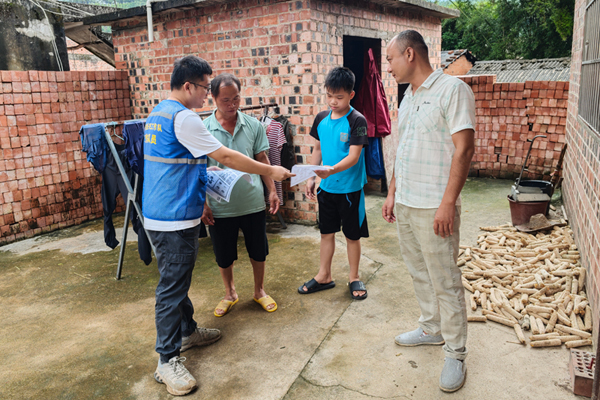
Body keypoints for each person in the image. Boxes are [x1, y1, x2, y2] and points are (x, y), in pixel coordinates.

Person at [143, 55, 292, 396]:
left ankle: (187, 332)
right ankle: (167, 360)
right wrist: (271, 172)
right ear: (188, 86)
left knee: (177, 282)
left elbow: (177, 163)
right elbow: (225, 155)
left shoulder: (159, 112)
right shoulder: (185, 119)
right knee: (171, 289)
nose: (206, 96)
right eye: (205, 88)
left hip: (163, 212)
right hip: (172, 217)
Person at [381, 30, 475, 392]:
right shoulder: (408, 96)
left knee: (445, 279)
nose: (388, 67)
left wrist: (447, 203)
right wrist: (392, 193)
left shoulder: (453, 91)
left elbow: (463, 150)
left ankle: (456, 351)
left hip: (435, 206)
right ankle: (431, 329)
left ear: (408, 54)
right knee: (418, 271)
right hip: (406, 202)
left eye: (389, 59)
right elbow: (404, 149)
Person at [201, 73, 279, 317]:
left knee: (258, 250)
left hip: (252, 201)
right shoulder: (203, 129)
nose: (232, 105)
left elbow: (262, 160)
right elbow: (197, 169)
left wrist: (272, 191)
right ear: (213, 98)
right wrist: (203, 204)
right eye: (226, 100)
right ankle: (230, 293)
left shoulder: (253, 125)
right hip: (219, 205)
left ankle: (259, 290)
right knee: (224, 255)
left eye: (236, 99)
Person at [298, 66, 370, 300]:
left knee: (352, 236)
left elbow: (354, 156)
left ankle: (354, 276)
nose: (332, 101)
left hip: (350, 190)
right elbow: (317, 149)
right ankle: (324, 275)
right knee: (326, 233)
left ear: (351, 94)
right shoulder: (321, 118)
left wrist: (331, 170)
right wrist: (311, 176)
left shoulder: (357, 120)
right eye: (329, 95)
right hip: (326, 189)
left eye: (338, 97)